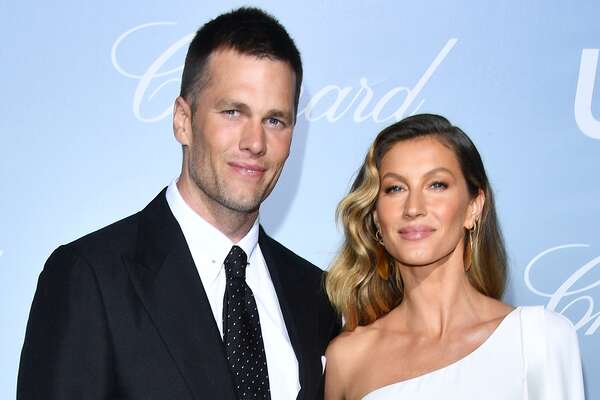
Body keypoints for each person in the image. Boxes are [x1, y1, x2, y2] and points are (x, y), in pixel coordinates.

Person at [18, 7, 339, 400]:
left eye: (275, 120)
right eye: (233, 112)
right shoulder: (90, 277)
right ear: (183, 121)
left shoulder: (315, 295)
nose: (255, 142)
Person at [323, 114, 584, 399]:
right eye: (395, 188)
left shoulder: (539, 338)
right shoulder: (349, 359)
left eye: (437, 185)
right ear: (375, 218)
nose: (414, 208)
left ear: (474, 206)